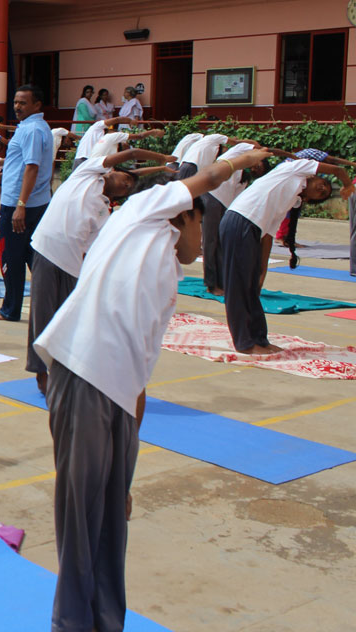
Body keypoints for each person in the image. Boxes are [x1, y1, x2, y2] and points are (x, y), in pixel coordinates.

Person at [33, 147, 272, 632]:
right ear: (183, 216)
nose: (203, 244)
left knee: (113, 517)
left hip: (118, 394)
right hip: (83, 373)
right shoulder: (142, 218)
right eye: (202, 229)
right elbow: (203, 177)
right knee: (81, 518)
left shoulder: (166, 273)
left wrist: (127, 471)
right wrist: (243, 160)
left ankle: (106, 619)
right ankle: (71, 623)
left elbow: (142, 365)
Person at [26, 147, 176, 393]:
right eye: (125, 179)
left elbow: (96, 246)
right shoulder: (88, 174)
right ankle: (41, 373)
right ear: (113, 171)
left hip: (72, 265)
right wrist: (162, 161)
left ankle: (66, 370)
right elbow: (132, 154)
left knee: (67, 321)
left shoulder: (105, 209)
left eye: (128, 189)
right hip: (47, 250)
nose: (124, 186)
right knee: (41, 315)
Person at [219, 157, 353, 354]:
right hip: (240, 221)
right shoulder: (296, 169)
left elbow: (268, 237)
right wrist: (348, 186)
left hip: (251, 228)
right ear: (314, 176)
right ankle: (245, 344)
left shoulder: (289, 199)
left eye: (322, 194)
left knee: (251, 287)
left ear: (307, 200)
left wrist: (262, 271)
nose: (323, 189)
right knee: (239, 287)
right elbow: (338, 170)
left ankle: (259, 339)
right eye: (322, 184)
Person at [0, 85, 53, 323]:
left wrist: (20, 205)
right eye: (15, 102)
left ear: (37, 105)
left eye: (23, 103)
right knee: (33, 256)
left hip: (20, 205)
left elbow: (32, 167)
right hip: (33, 202)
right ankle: (55, 305)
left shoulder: (32, 129)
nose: (17, 107)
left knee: (11, 258)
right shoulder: (34, 127)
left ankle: (10, 309)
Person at [200, 141, 265, 294]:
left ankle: (221, 281)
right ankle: (211, 284)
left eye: (258, 169)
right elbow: (250, 144)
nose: (255, 167)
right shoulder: (236, 154)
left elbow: (236, 198)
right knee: (210, 241)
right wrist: (261, 149)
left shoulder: (244, 177)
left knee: (221, 242)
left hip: (224, 206)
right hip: (211, 196)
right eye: (258, 163)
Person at [70, 117, 148, 170]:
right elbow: (117, 119)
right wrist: (130, 120)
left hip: (92, 162)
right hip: (83, 159)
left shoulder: (108, 142)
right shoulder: (97, 128)